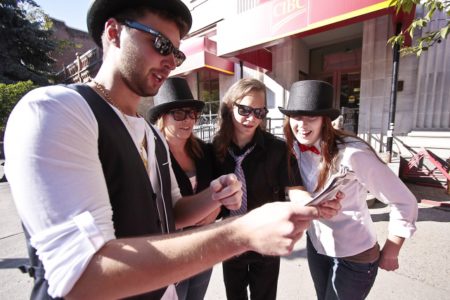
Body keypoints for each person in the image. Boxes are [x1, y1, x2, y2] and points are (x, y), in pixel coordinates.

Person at [3, 1, 341, 299]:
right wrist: (240, 233)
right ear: (113, 31)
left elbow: (173, 212)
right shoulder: (57, 110)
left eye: (177, 53)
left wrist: (214, 195)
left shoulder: (149, 133)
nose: (170, 62)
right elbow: (79, 277)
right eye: (161, 44)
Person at [279, 80, 418, 300]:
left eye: (311, 117)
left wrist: (392, 249)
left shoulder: (353, 153)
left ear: (325, 120)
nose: (302, 125)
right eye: (296, 116)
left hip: (355, 256)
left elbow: (404, 201)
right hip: (317, 247)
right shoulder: (293, 147)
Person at [212, 78, 339, 300]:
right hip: (230, 237)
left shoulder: (277, 149)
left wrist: (315, 204)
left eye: (259, 112)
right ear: (230, 107)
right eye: (244, 110)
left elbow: (295, 188)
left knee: (265, 296)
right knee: (234, 295)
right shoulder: (214, 149)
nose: (251, 118)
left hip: (267, 237)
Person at [149, 77, 218, 300]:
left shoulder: (205, 151)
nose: (187, 120)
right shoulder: (153, 156)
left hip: (204, 246)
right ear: (162, 117)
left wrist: (214, 211)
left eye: (192, 113)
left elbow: (217, 188)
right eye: (179, 113)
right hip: (172, 251)